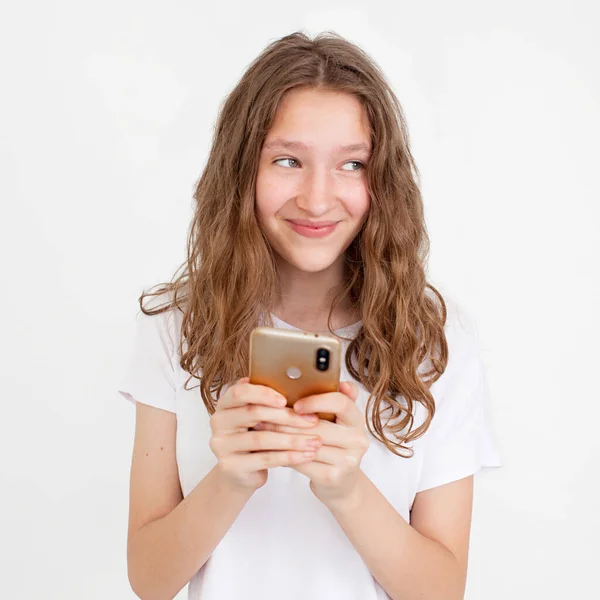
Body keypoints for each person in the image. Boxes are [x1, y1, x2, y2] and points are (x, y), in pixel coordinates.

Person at [117, 30, 501, 600]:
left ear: (383, 180)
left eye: (351, 165)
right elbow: (149, 581)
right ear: (241, 169)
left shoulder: (434, 343)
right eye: (288, 160)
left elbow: (441, 591)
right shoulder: (177, 325)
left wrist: (347, 488)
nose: (318, 199)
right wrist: (231, 478)